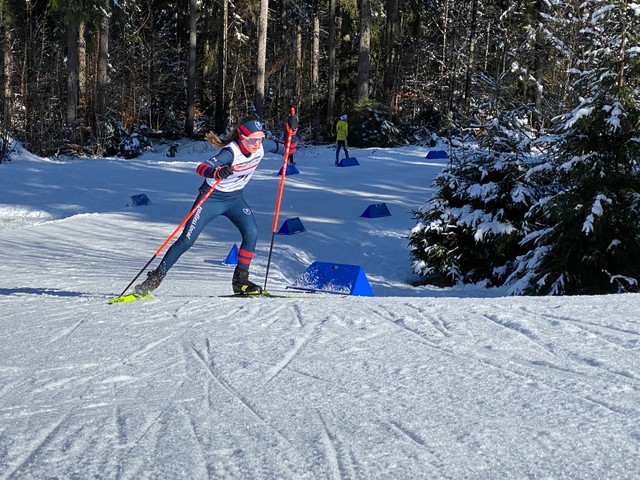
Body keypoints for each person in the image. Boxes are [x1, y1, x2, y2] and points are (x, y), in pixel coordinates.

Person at [134, 117, 297, 296]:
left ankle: (240, 281)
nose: (257, 144)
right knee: (187, 240)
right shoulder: (230, 152)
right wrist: (217, 171)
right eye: (253, 140)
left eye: (261, 138)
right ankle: (155, 277)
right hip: (211, 198)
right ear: (242, 137)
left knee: (251, 233)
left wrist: (292, 133)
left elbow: (288, 149)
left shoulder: (262, 146)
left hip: (235, 199)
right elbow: (202, 168)